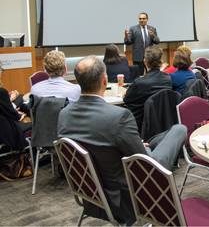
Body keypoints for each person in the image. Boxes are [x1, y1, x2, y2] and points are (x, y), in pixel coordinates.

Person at [58, 55, 186, 226]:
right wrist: (143, 150)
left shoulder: (64, 115)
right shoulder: (119, 117)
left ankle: (147, 144)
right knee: (179, 130)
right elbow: (145, 166)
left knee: (155, 141)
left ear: (77, 81)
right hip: (129, 198)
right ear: (105, 80)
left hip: (91, 196)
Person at [123, 46, 172, 132]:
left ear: (144, 62)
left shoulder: (138, 83)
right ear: (161, 62)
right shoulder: (167, 79)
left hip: (141, 128)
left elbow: (126, 100)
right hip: (163, 126)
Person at [0, 61, 29, 151]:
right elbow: (15, 116)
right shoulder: (2, 92)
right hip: (5, 132)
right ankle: (35, 156)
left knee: (20, 97)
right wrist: (19, 114)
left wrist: (10, 100)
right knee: (33, 124)